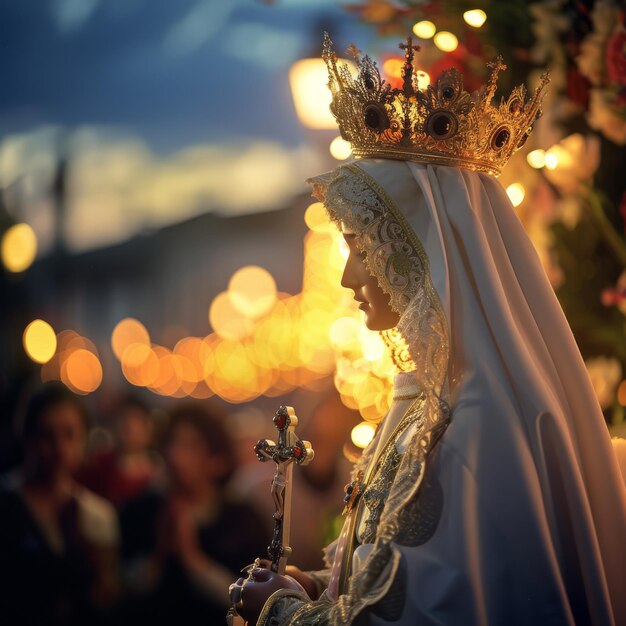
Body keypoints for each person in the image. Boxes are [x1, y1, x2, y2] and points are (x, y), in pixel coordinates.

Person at [230, 34, 626, 625]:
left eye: (361, 246)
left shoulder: (474, 425)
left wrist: (282, 612)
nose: (344, 275)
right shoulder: (423, 399)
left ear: (423, 252)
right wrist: (317, 583)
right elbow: (393, 574)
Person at [119, 402, 267, 626]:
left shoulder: (241, 521)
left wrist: (193, 560)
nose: (176, 455)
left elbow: (252, 602)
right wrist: (159, 555)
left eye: (192, 446)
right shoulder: (141, 510)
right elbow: (120, 591)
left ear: (218, 461)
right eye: (172, 442)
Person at [0, 382, 119, 626]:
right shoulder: (7, 505)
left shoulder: (96, 514)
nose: (59, 448)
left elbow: (107, 597)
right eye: (47, 435)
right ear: (28, 436)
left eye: (70, 434)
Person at [79, 395, 161, 507]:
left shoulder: (157, 475)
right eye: (124, 418)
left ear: (148, 430)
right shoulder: (98, 466)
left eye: (137, 419)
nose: (129, 425)